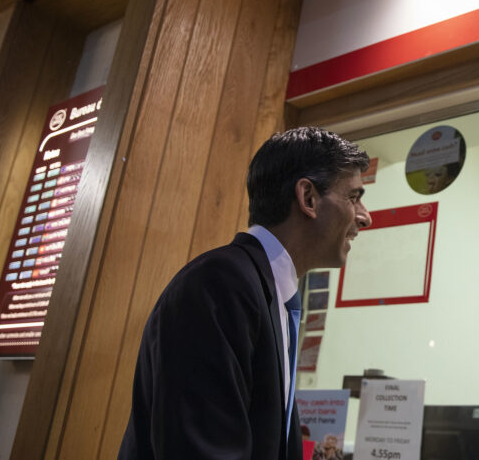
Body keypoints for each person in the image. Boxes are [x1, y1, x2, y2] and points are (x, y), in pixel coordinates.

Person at [118, 127, 372, 460]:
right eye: (353, 197)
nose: (365, 217)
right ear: (308, 198)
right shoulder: (219, 285)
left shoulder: (267, 292)